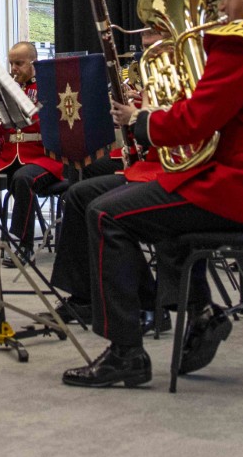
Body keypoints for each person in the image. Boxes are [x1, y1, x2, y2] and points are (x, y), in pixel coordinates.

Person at [64, 0, 243, 388]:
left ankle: (125, 350)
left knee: (106, 215)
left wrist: (140, 120)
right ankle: (201, 315)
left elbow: (196, 121)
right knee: (158, 213)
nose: (219, 7)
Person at [52, 28, 164, 323]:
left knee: (103, 210)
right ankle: (84, 296)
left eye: (157, 40)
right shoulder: (151, 77)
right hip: (148, 167)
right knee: (78, 194)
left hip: (172, 170)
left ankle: (148, 301)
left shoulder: (182, 73)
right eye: (145, 43)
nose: (148, 49)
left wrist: (137, 115)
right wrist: (132, 110)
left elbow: (175, 121)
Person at [0, 41, 64, 253]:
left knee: (23, 178)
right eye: (11, 64)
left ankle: (21, 243)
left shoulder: (48, 87)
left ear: (33, 63)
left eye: (19, 63)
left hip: (40, 157)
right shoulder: (7, 90)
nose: (13, 69)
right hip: (9, 156)